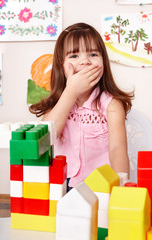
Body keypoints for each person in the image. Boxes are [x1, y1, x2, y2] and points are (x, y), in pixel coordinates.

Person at [29, 22, 134, 189]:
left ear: (103, 62)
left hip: (99, 186)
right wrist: (71, 91)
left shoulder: (112, 105)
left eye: (93, 54)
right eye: (74, 56)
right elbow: (45, 138)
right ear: (60, 66)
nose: (85, 61)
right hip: (61, 184)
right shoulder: (58, 102)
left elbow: (117, 149)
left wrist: (121, 187)